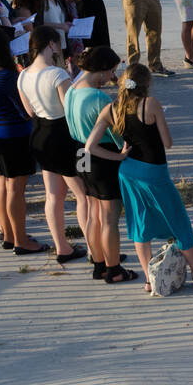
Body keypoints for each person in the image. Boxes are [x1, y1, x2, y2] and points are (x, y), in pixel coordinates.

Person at [83, 64, 193, 293]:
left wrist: (118, 156)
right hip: (154, 173)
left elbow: (90, 146)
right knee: (179, 224)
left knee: (141, 226)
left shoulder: (111, 109)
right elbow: (167, 142)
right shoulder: (151, 104)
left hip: (128, 172)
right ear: (147, 84)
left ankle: (149, 281)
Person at [65, 46, 138, 283]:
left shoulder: (71, 90)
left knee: (93, 211)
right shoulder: (98, 97)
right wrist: (124, 150)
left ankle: (99, 264)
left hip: (79, 153)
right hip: (101, 157)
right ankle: (114, 268)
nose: (111, 78)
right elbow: (118, 134)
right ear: (100, 71)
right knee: (109, 217)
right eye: (111, 72)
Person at [17, 25, 89, 264]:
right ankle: (95, 249)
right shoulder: (57, 74)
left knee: (53, 195)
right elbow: (71, 110)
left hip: (39, 134)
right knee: (83, 195)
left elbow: (28, 111)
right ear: (50, 44)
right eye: (58, 43)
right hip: (64, 136)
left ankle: (62, 247)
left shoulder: (23, 75)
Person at [0, 29, 45, 253]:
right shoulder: (7, 76)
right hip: (14, 137)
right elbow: (24, 111)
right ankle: (21, 240)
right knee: (16, 190)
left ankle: (8, 234)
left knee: (1, 185)